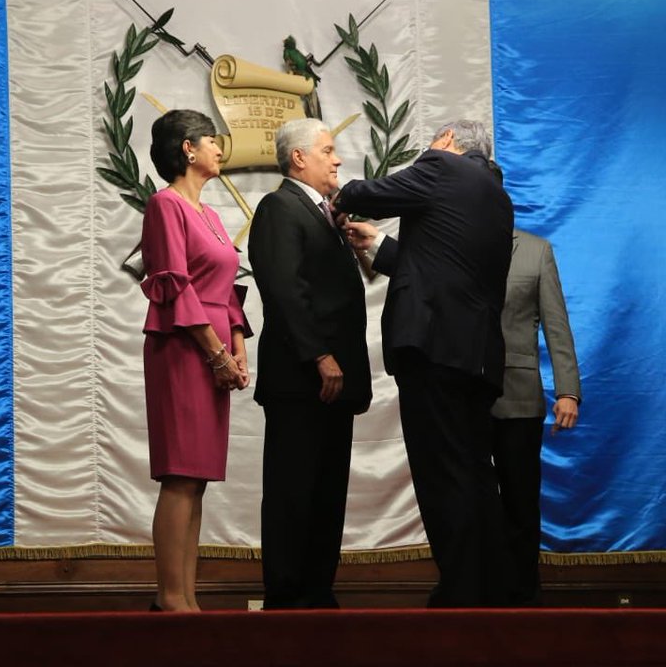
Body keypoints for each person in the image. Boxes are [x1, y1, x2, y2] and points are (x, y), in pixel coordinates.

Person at [337, 119, 514, 607]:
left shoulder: (441, 166)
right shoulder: (496, 195)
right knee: (475, 471)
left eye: (434, 141)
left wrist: (339, 193)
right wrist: (378, 245)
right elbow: (444, 265)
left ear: (449, 141)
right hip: (477, 356)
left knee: (441, 473)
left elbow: (369, 194)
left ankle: (459, 591)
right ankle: (490, 588)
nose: (430, 148)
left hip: (434, 349)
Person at [247, 118, 372, 609]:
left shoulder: (326, 214)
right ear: (298, 157)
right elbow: (285, 290)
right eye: (327, 150)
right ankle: (286, 599)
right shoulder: (279, 207)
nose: (337, 159)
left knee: (327, 494)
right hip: (301, 380)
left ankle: (318, 594)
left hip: (332, 383)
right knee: (292, 491)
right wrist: (320, 354)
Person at [139, 109, 252, 612]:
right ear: (188, 148)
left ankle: (188, 598)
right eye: (212, 139)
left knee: (198, 478)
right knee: (180, 474)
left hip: (213, 352)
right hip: (183, 349)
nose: (219, 148)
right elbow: (176, 287)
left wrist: (238, 346)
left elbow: (225, 290)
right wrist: (216, 353)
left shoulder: (210, 214)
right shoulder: (165, 205)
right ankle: (170, 598)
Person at [495, 225, 581, 606]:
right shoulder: (458, 242)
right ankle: (478, 595)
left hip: (518, 397)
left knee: (521, 504)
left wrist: (567, 391)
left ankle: (523, 601)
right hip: (462, 398)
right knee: (471, 506)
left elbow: (556, 326)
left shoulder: (537, 251)